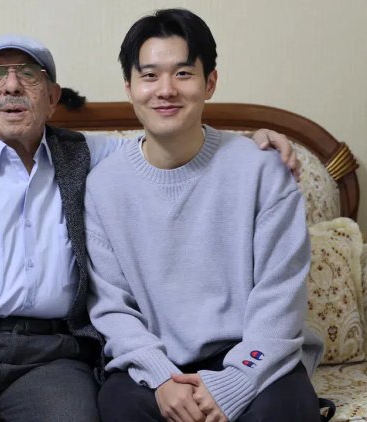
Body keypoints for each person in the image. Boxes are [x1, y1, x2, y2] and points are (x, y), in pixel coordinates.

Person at [0, 34, 301, 421]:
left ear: (52, 97)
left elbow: (169, 137)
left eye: (29, 74)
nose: (11, 86)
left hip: (48, 359)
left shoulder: (91, 157)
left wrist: (254, 144)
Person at [85, 9, 324, 422]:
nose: (165, 90)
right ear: (129, 87)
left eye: (183, 74)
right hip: (160, 359)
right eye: (149, 76)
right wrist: (161, 376)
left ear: (210, 82)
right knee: (118, 406)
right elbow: (112, 306)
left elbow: (281, 293)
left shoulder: (262, 170)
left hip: (253, 354)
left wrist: (237, 381)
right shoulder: (103, 184)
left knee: (283, 410)